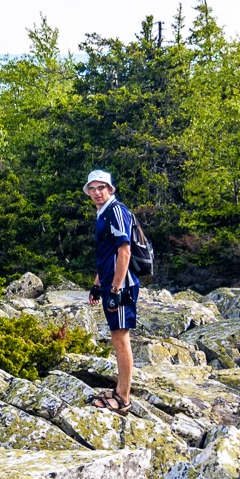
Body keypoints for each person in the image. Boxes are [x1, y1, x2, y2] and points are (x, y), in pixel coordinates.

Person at [84, 169, 138, 416]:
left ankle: (124, 398)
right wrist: (98, 284)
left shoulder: (116, 211)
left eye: (101, 187)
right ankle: (118, 390)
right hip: (109, 283)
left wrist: (115, 289)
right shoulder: (102, 213)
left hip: (122, 285)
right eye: (92, 189)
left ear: (110, 189)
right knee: (117, 337)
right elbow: (106, 255)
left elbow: (124, 251)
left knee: (121, 337)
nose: (96, 192)